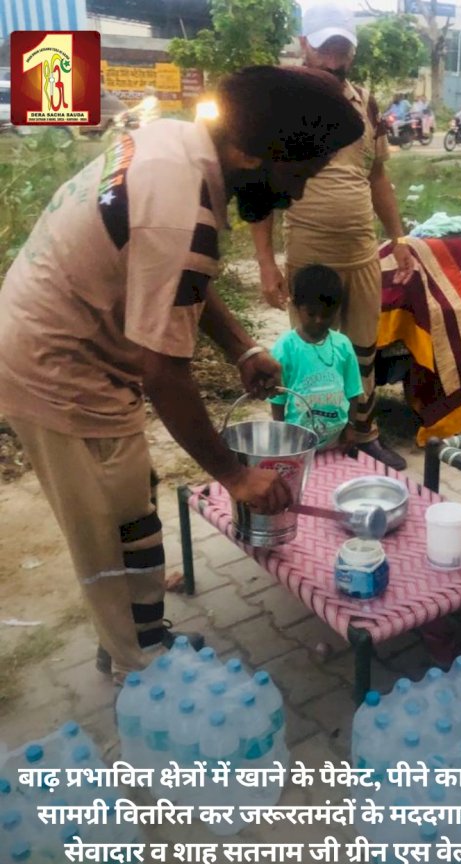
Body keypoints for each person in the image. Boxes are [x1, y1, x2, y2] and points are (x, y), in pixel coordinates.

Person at [0, 65, 364, 685]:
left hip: (67, 344)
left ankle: (137, 619)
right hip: (58, 366)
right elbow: (164, 371)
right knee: (109, 527)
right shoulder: (180, 204)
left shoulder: (182, 145)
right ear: (253, 152)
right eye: (296, 175)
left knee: (128, 500)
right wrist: (233, 474)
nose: (296, 195)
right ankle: (135, 662)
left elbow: (178, 281)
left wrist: (245, 349)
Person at [251, 1, 416, 471]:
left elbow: (378, 176)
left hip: (361, 250)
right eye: (325, 48)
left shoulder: (364, 101)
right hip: (309, 250)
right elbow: (259, 188)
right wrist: (265, 262)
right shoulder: (282, 104)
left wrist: (399, 239)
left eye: (343, 49)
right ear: (305, 45)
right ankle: (304, 435)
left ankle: (363, 433)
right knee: (309, 350)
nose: (334, 60)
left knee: (362, 350)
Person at [270, 264, 363, 450]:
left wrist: (350, 427)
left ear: (337, 310)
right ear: (296, 306)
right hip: (297, 441)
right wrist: (282, 434)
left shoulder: (343, 345)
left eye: (326, 314)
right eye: (311, 314)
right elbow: (277, 399)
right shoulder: (285, 348)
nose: (319, 320)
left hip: (336, 439)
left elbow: (353, 391)